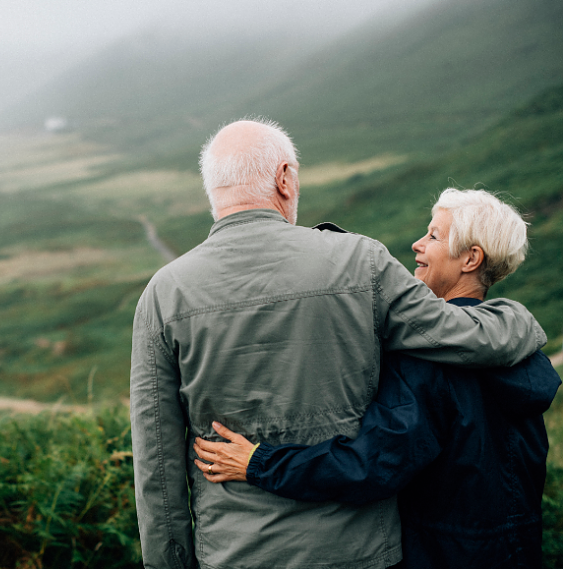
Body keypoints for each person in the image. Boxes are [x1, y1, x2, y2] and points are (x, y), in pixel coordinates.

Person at [129, 119, 548, 569]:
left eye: (433, 236)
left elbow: (157, 461)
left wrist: (168, 562)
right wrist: (518, 319)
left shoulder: (163, 293)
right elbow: (463, 336)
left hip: (234, 553)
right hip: (364, 552)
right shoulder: (362, 262)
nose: (419, 244)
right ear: (284, 177)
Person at [193, 188, 560, 568]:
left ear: (471, 258)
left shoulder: (429, 361)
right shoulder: (520, 351)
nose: (417, 244)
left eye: (434, 236)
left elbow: (370, 467)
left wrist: (259, 462)